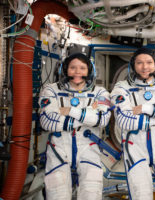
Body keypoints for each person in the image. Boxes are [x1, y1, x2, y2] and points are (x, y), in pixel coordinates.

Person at [110, 47, 155, 200]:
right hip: (134, 147)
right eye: (140, 63)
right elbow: (124, 120)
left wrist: (144, 108)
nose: (145, 67)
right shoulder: (121, 87)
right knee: (141, 194)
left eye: (149, 62)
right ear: (133, 65)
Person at [39, 53, 111, 200]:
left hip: (89, 150)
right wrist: (89, 113)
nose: (77, 72)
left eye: (82, 68)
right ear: (65, 70)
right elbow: (47, 121)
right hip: (58, 150)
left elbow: (102, 120)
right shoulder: (51, 90)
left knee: (91, 195)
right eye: (72, 68)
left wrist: (70, 111)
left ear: (89, 71)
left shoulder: (100, 92)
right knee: (56, 196)